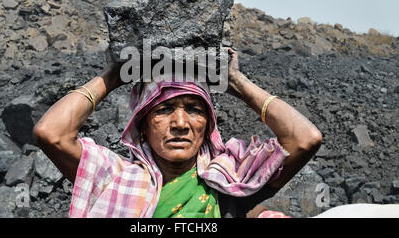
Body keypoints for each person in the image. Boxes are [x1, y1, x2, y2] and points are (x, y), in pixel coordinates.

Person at [33, 48, 323, 218]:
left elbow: (305, 139)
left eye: (194, 110)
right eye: (164, 109)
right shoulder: (114, 178)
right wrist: (112, 77)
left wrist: (236, 82)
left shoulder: (231, 181)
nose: (181, 123)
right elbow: (51, 134)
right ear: (141, 125)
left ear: (208, 126)